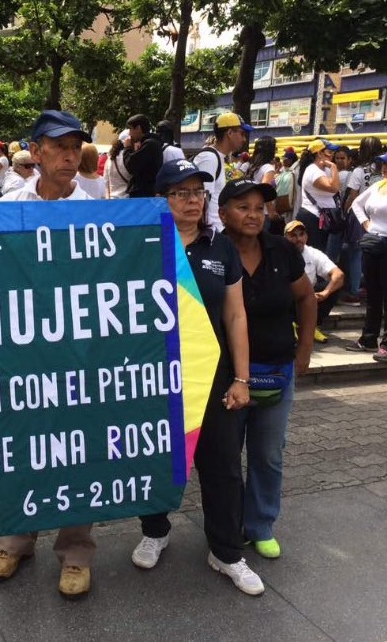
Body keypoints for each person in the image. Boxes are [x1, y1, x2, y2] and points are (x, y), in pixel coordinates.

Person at [131, 160, 261, 595]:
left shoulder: (220, 248)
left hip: (212, 376)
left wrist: (241, 378)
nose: (192, 200)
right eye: (181, 192)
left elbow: (236, 313)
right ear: (160, 198)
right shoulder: (138, 244)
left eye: (198, 192)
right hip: (153, 375)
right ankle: (154, 530)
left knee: (223, 465)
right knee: (155, 458)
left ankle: (226, 552)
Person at [0, 109, 95, 599]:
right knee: (26, 442)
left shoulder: (97, 207)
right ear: (38, 150)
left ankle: (76, 552)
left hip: (79, 352)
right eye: (60, 146)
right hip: (24, 353)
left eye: (77, 147)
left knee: (78, 448)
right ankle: (16, 539)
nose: (71, 156)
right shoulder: (9, 205)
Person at [219, 179, 316, 563]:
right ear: (223, 213)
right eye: (243, 207)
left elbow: (306, 297)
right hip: (226, 376)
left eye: (260, 208)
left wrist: (304, 349)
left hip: (277, 370)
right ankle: (227, 527)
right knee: (225, 458)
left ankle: (260, 525)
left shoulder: (281, 249)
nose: (254, 215)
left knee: (268, 454)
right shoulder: (213, 251)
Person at [346, 153, 387, 360]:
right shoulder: (378, 187)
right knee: (373, 294)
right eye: (383, 164)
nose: (384, 168)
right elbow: (356, 204)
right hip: (373, 244)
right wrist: (365, 224)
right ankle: (369, 338)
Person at [284, 220, 344, 343]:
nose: (298, 239)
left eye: (301, 234)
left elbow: (339, 275)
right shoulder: (278, 252)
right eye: (293, 235)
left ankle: (313, 325)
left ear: (306, 236)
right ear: (285, 238)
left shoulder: (313, 253)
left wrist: (325, 293)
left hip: (306, 296)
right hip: (285, 296)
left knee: (334, 286)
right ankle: (288, 325)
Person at [340, 136, 384, 306]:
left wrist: (345, 213)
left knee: (355, 254)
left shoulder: (359, 171)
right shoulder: (382, 170)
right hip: (380, 217)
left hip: (360, 216)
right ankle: (369, 288)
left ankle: (355, 291)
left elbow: (353, 196)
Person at [192, 112, 254, 231]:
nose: (244, 139)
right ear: (230, 133)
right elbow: (201, 200)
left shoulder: (217, 157)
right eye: (242, 133)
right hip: (210, 234)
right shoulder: (209, 158)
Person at [296, 138, 341, 252]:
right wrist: (334, 167)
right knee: (313, 253)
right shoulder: (313, 170)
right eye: (329, 152)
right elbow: (334, 188)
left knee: (319, 252)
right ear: (319, 153)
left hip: (320, 217)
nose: (332, 156)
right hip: (312, 217)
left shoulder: (324, 170)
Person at [243, 135, 282, 233]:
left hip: (249, 209)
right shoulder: (268, 168)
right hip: (263, 213)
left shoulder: (251, 166)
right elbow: (265, 190)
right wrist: (271, 211)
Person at [124, 114, 163, 197]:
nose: (129, 133)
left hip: (144, 194)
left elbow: (131, 165)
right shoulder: (150, 144)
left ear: (138, 128)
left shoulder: (149, 145)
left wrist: (127, 148)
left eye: (131, 129)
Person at [103, 130, 131, 199]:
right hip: (128, 200)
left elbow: (106, 181)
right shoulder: (129, 157)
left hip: (113, 199)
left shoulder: (110, 158)